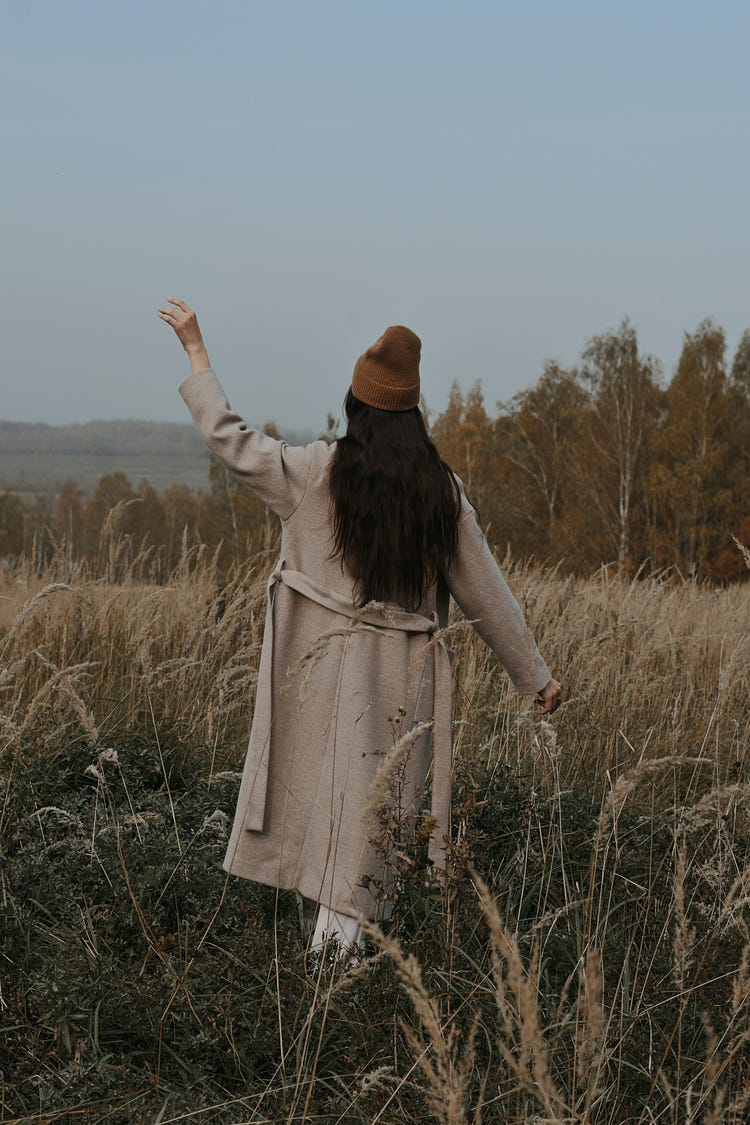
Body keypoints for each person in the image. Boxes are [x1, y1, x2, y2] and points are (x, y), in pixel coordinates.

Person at [157, 297, 562, 962]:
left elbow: (233, 442)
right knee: (368, 831)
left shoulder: (318, 472)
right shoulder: (442, 494)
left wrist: (198, 353)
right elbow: (489, 594)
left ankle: (330, 988)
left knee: (325, 819)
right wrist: (535, 675)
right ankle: (344, 984)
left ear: (357, 405)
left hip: (315, 669)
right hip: (399, 682)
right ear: (412, 413)